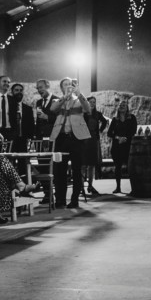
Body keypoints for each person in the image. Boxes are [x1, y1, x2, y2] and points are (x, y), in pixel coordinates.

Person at [49, 77, 91, 208]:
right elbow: (52, 109)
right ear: (61, 88)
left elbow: (88, 109)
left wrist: (78, 93)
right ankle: (60, 199)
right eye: (65, 85)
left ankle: (74, 200)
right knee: (59, 171)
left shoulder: (79, 100)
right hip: (61, 138)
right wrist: (64, 97)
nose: (68, 86)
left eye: (70, 84)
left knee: (76, 170)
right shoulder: (58, 100)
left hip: (76, 138)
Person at [106, 100, 137, 195]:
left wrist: (126, 138)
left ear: (127, 107)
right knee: (117, 167)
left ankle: (133, 188)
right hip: (117, 146)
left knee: (130, 167)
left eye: (124, 105)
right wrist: (118, 137)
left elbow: (133, 130)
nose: (122, 106)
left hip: (128, 146)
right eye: (120, 105)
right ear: (118, 108)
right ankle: (118, 187)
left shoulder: (132, 118)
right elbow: (109, 133)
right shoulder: (115, 119)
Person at [83, 96, 109, 197]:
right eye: (90, 102)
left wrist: (100, 131)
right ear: (87, 102)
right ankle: (81, 187)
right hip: (84, 139)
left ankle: (90, 185)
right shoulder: (83, 113)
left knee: (91, 164)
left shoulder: (97, 114)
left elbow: (105, 122)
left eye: (94, 102)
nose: (92, 103)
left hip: (93, 139)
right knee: (83, 165)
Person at [11, 83, 36, 153]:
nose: (19, 92)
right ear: (12, 92)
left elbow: (31, 125)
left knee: (23, 162)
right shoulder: (8, 107)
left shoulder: (28, 109)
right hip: (11, 140)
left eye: (21, 90)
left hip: (24, 140)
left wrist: (31, 138)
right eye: (16, 90)